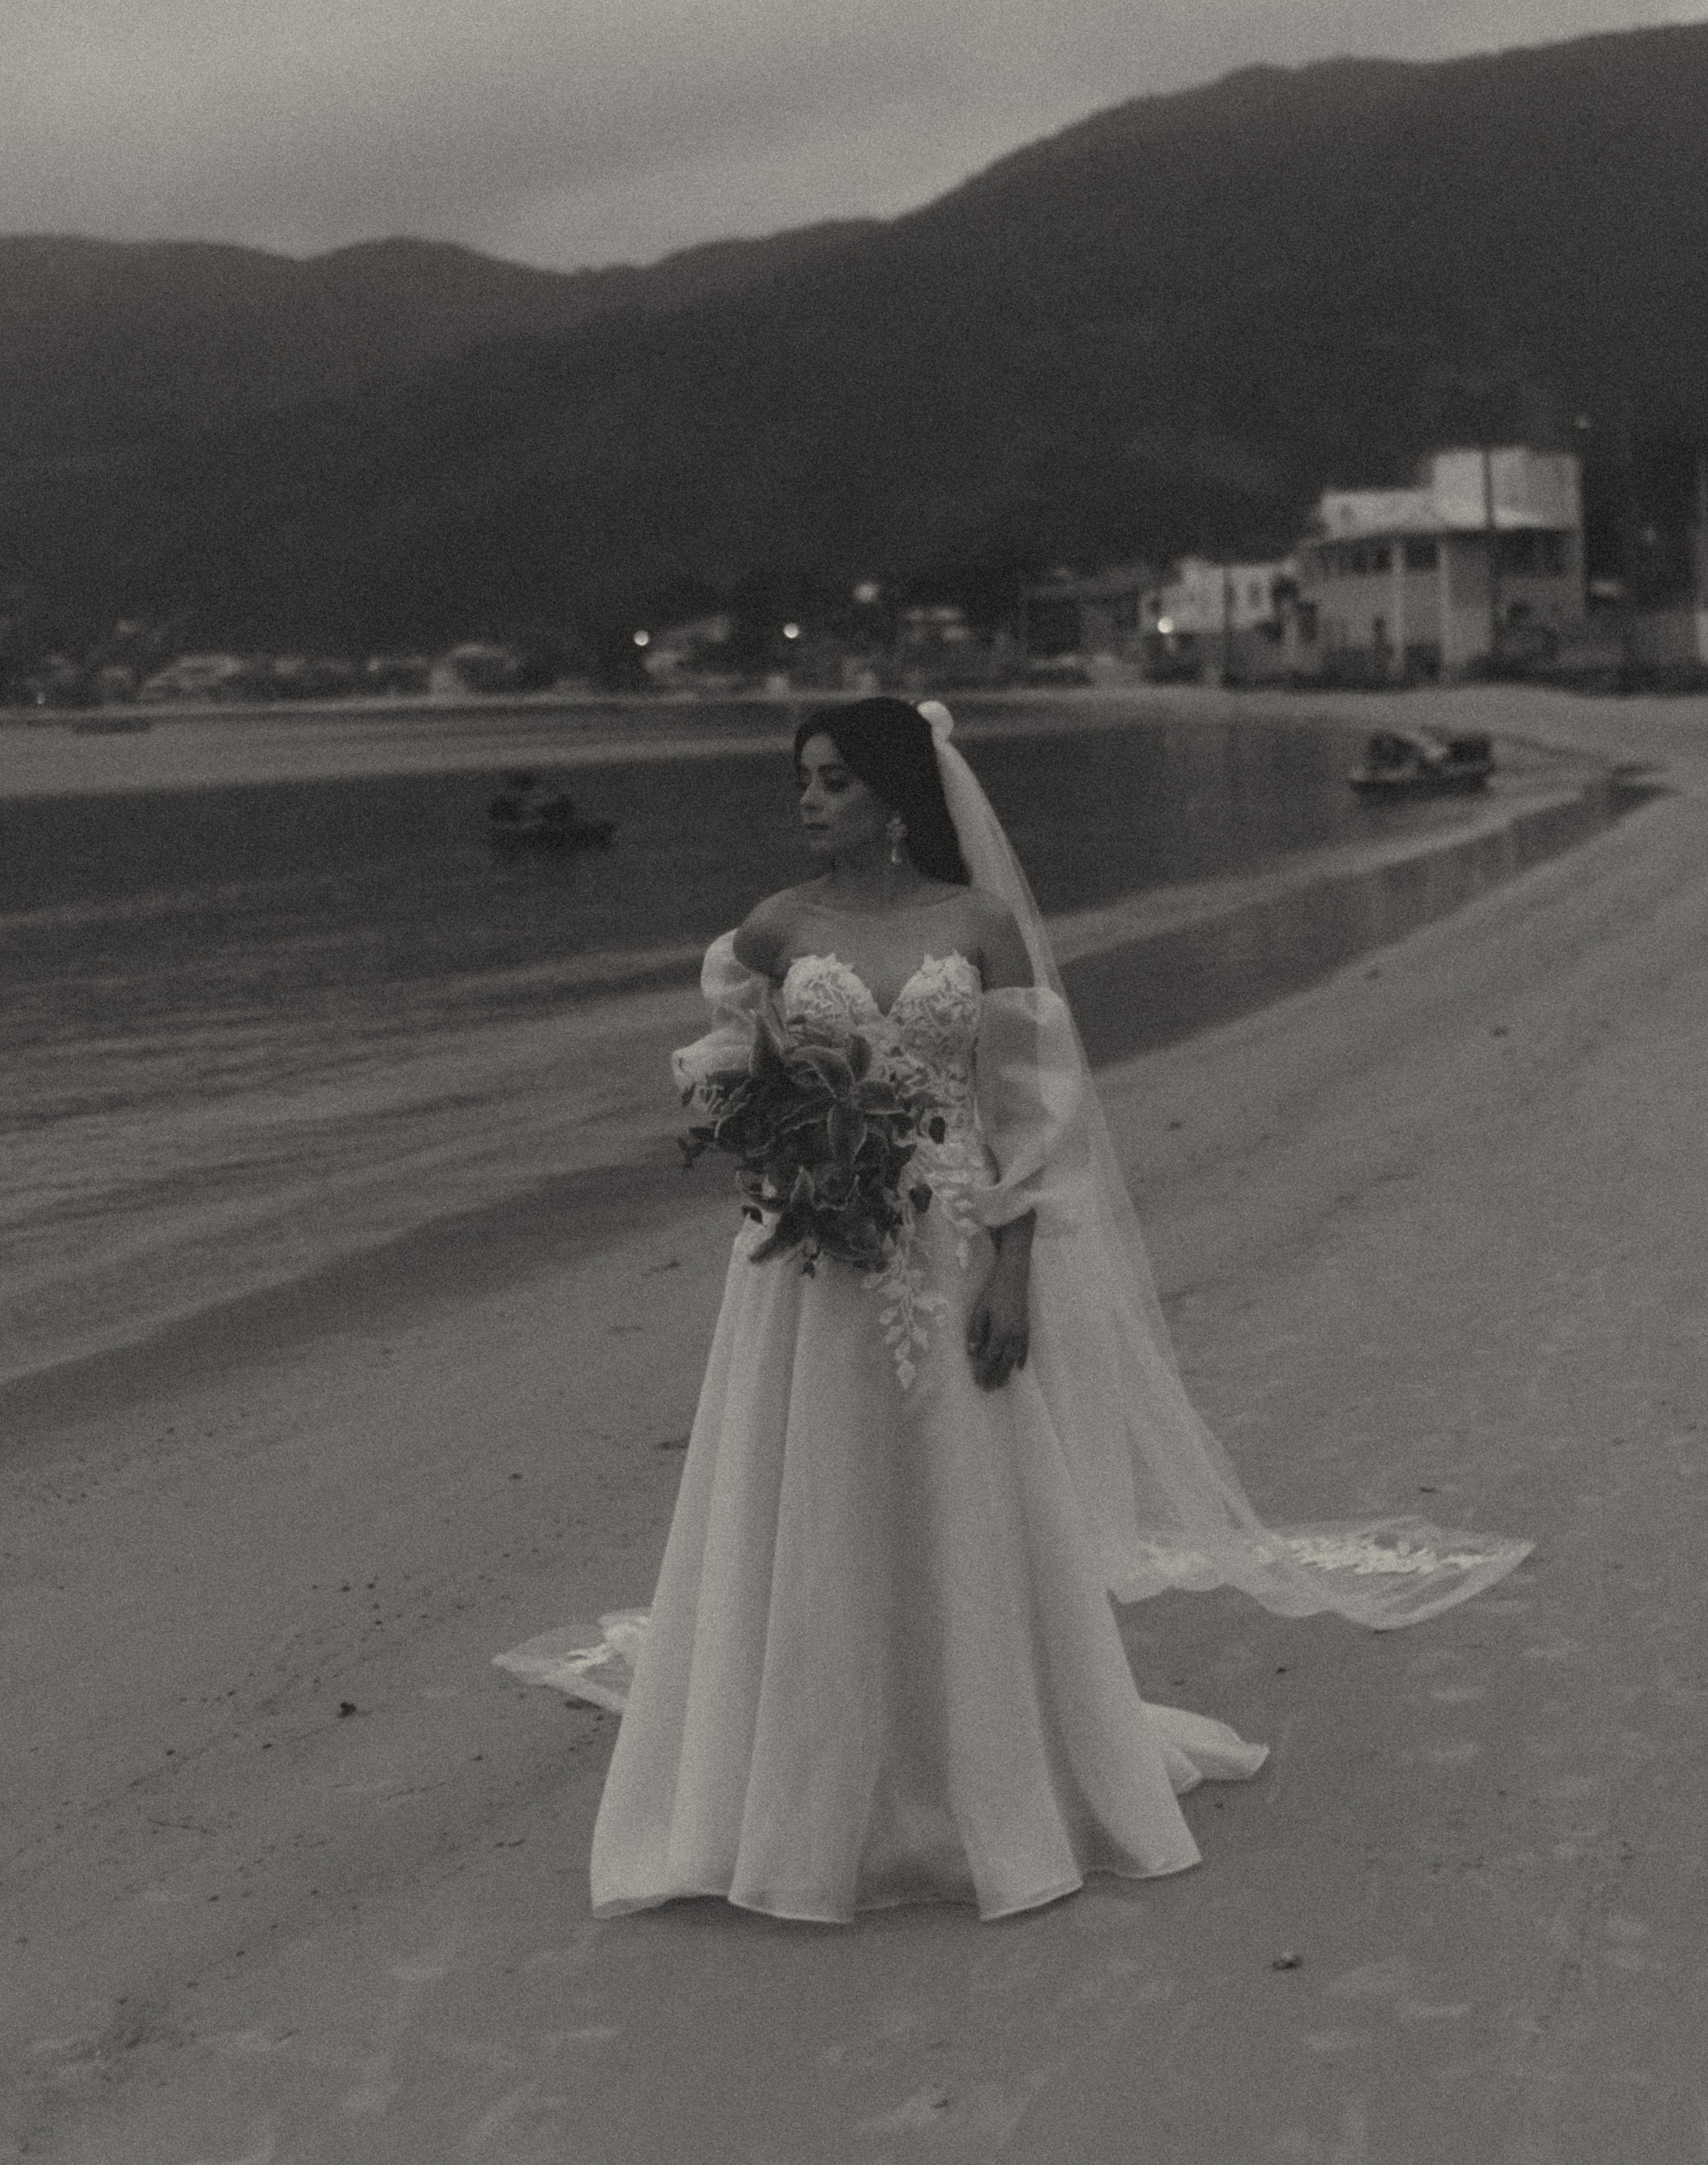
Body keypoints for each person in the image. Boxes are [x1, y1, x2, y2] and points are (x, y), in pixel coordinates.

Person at [498, 698, 1530, 1922]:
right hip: (810, 1265)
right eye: (803, 780)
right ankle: (799, 1787)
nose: (810, 800)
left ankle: (981, 1769)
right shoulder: (772, 929)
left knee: (964, 1496)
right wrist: (790, 1155)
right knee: (812, 1496)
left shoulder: (979, 925)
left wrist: (1013, 1267)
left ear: (892, 795)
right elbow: (734, 1079)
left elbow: (1032, 1115)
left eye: (833, 779)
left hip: (948, 1245)